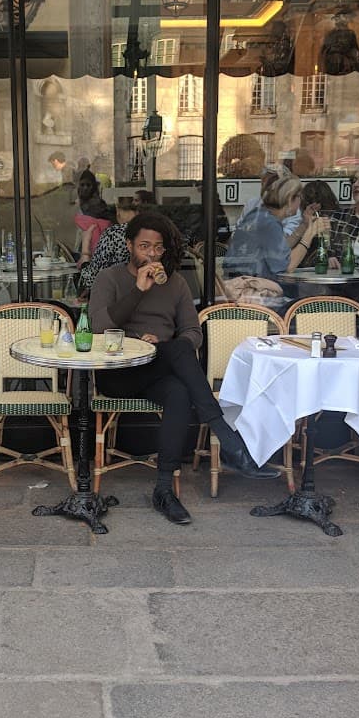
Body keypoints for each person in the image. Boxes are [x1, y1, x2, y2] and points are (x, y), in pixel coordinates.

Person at [89, 212, 278, 525]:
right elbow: (99, 327)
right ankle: (228, 438)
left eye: (157, 248)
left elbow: (193, 332)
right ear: (129, 245)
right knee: (176, 354)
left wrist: (162, 345)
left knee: (178, 391)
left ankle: (164, 490)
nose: (151, 254)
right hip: (118, 372)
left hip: (157, 367)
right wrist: (138, 291)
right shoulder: (109, 278)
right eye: (144, 246)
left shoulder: (175, 282)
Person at [224, 174, 306, 283]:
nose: (301, 201)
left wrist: (305, 225)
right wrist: (310, 233)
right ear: (290, 199)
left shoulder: (259, 215)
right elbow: (288, 267)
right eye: (300, 197)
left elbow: (280, 248)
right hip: (251, 288)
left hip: (238, 283)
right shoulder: (270, 223)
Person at [77, 193, 152, 293]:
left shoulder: (114, 234)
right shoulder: (153, 233)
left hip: (119, 298)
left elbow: (90, 280)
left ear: (118, 209)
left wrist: (85, 249)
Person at [74, 169, 113, 266]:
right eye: (82, 185)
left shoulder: (98, 205)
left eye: (88, 185)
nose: (85, 188)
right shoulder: (78, 203)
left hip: (94, 252)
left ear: (94, 187)